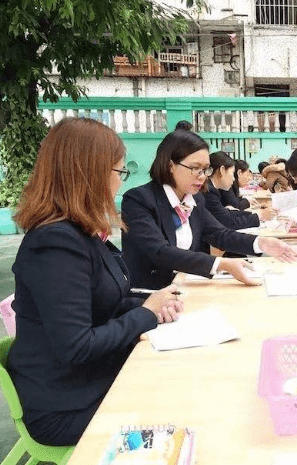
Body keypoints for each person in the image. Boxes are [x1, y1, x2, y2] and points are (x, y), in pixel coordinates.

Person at [7, 118, 183, 446]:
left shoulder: (80, 232)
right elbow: (77, 346)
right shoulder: (56, 243)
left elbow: (104, 301)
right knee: (181, 407)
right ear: (90, 173)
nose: (120, 183)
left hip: (88, 381)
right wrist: (145, 314)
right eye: (119, 172)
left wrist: (151, 305)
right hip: (64, 405)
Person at [121, 129, 297, 290]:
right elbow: (160, 251)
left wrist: (262, 242)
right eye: (195, 168)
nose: (201, 177)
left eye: (205, 170)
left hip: (186, 286)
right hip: (149, 295)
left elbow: (219, 234)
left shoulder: (194, 199)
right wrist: (221, 264)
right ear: (170, 165)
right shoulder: (139, 200)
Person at [204, 152, 274, 230]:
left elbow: (227, 214)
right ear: (222, 170)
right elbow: (228, 222)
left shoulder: (212, 189)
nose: (234, 179)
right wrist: (258, 216)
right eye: (232, 173)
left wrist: (256, 214)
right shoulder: (209, 191)